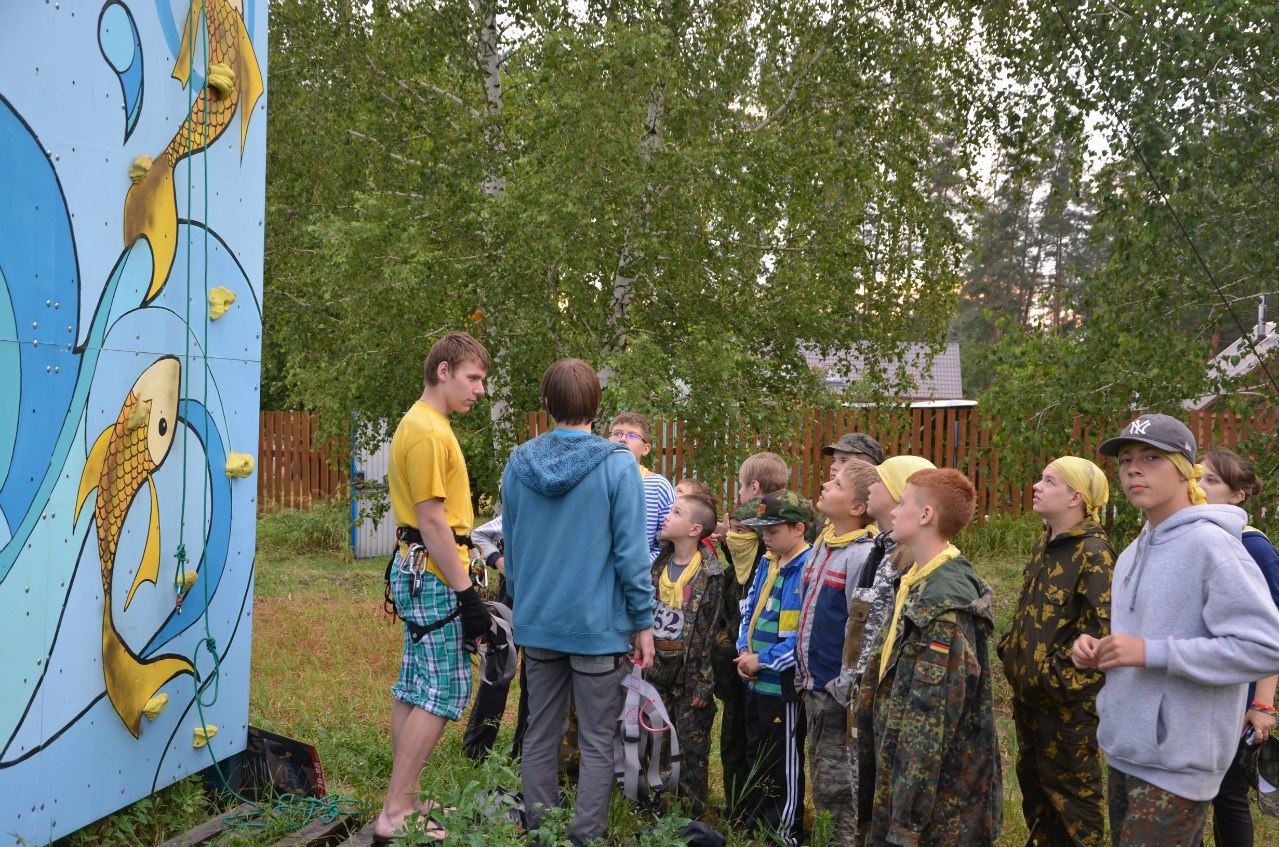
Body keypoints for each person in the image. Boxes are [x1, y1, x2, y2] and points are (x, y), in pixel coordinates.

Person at [1073, 414, 1279, 847]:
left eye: (1151, 457)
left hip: (1179, 764)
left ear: (1187, 471)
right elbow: (1140, 641)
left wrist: (1152, 652)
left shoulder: (1214, 547)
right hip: (1125, 751)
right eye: (1126, 459)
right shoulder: (1130, 553)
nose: (1133, 469)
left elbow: (1264, 647)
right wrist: (1099, 651)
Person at [502, 359, 655, 845]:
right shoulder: (617, 465)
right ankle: (586, 837)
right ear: (596, 404)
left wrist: (526, 605)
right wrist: (644, 621)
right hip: (596, 628)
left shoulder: (519, 462)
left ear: (547, 402)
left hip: (539, 621)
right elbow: (631, 555)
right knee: (596, 739)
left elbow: (512, 547)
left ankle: (542, 832)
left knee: (539, 733)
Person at [373, 332, 494, 845]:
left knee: (415, 684)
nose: (480, 390)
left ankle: (405, 795)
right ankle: (396, 810)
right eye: (473, 378)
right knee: (445, 690)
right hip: (439, 572)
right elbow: (432, 520)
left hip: (420, 568)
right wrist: (467, 595)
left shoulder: (425, 423)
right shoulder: (427, 431)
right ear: (443, 371)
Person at [855, 468, 1002, 847]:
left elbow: (928, 729)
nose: (893, 511)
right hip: (903, 786)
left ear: (925, 515)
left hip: (933, 813)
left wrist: (903, 828)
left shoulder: (941, 606)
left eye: (903, 503)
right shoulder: (917, 581)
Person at [998, 457, 1115, 847]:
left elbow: (1104, 632)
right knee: (1036, 797)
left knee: (1073, 806)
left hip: (1066, 709)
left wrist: (1052, 679)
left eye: (1049, 481)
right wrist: (1012, 654)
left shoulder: (1094, 552)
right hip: (1030, 699)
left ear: (1075, 498)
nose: (1037, 486)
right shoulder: (1046, 542)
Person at [1197, 448, 1279, 847]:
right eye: (1196, 477)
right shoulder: (1192, 538)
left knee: (1227, 795)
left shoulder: (1254, 547)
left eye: (1211, 480)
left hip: (1235, 697)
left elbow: (1273, 632)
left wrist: (1263, 704)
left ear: (1238, 495)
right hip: (1195, 689)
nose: (1199, 487)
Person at [795, 461, 878, 846]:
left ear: (858, 507)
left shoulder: (862, 555)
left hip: (835, 691)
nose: (827, 485)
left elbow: (858, 628)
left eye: (838, 485)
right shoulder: (823, 543)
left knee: (839, 786)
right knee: (822, 778)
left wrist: (842, 687)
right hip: (813, 684)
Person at [735, 490, 814, 847]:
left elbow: (803, 636)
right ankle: (757, 822)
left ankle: (784, 832)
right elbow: (749, 608)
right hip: (754, 680)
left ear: (798, 528)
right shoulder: (768, 561)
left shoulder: (807, 567)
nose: (765, 537)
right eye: (762, 530)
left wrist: (763, 660)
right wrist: (744, 650)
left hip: (782, 686)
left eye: (773, 530)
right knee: (757, 753)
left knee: (783, 761)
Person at [713, 451, 789, 816]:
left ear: (753, 487)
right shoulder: (743, 560)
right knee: (739, 734)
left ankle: (757, 811)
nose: (735, 536)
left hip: (767, 662)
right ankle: (740, 808)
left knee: (757, 740)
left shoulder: (773, 551)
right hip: (742, 655)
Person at [648, 492, 724, 817]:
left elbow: (710, 633)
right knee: (658, 741)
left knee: (692, 747)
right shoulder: (659, 565)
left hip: (690, 676)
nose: (667, 516)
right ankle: (659, 809)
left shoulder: (711, 574)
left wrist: (704, 683)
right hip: (656, 671)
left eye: (676, 512)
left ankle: (692, 815)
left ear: (694, 530)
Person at [461, 514, 531, 762]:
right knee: (497, 671)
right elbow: (478, 534)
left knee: (535, 678)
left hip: (544, 599)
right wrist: (499, 561)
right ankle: (476, 749)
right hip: (511, 597)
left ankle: (524, 752)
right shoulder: (522, 504)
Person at [610, 412, 674, 561]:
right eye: (617, 433)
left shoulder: (659, 487)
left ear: (645, 449)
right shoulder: (596, 481)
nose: (623, 439)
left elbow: (669, 542)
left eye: (632, 435)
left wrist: (641, 567)